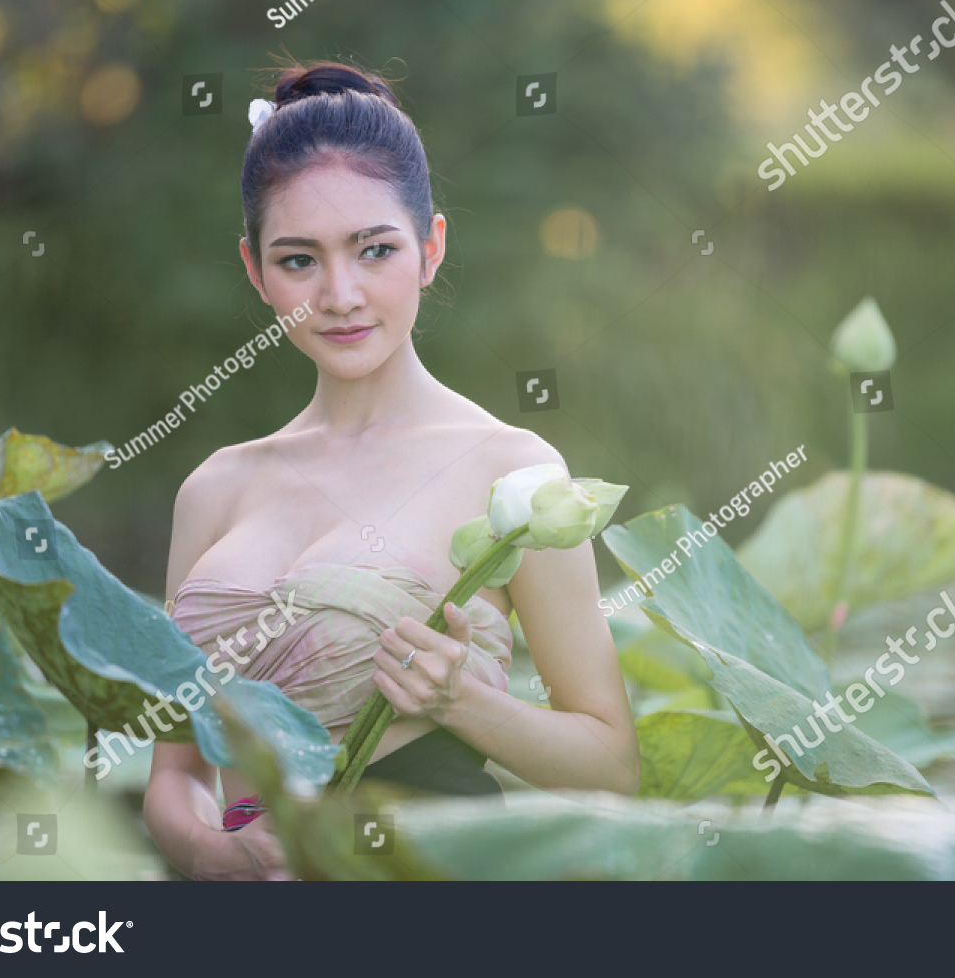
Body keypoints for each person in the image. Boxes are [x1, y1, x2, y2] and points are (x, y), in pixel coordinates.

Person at [142, 61, 640, 880]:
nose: (339, 294)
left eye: (374, 250)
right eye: (299, 260)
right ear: (255, 271)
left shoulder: (513, 471)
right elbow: (178, 774)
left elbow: (611, 762)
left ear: (430, 248)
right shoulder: (214, 489)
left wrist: (464, 703)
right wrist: (207, 847)